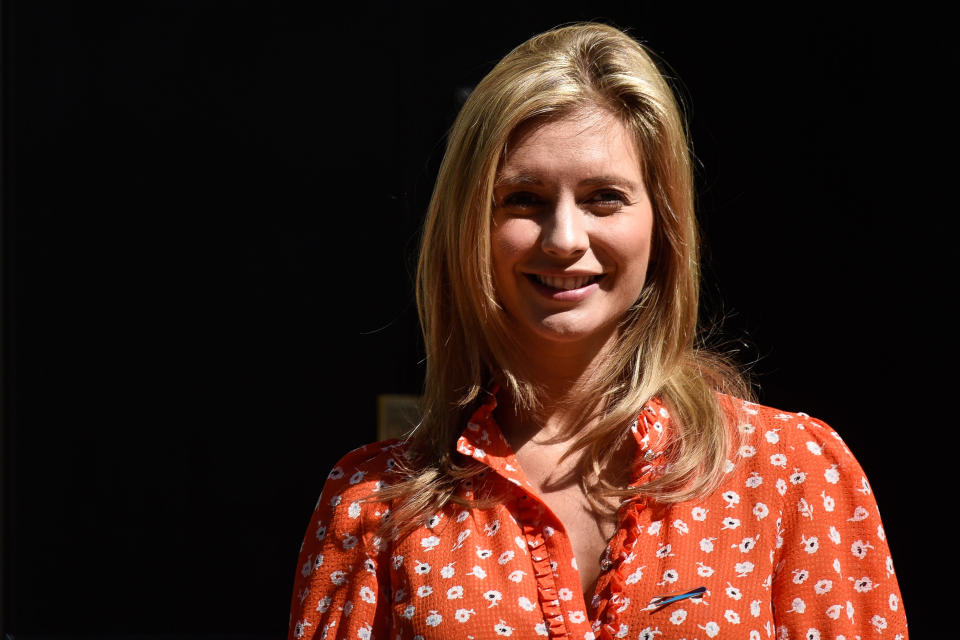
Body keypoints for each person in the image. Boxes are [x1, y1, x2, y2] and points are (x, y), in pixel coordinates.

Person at [287, 23, 907, 640]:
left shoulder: (789, 472)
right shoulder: (374, 506)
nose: (564, 238)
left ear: (662, 225)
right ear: (469, 225)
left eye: (604, 197)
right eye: (523, 198)